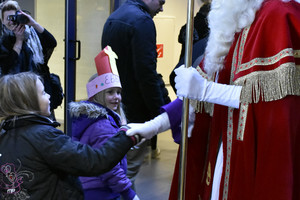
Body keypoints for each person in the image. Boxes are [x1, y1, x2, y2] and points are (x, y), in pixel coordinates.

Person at [126, 0, 300, 199]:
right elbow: (196, 100)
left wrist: (208, 90)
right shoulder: (231, 18)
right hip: (221, 149)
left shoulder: (278, 13)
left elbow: (274, 105)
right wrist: (153, 127)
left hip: (250, 157)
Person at [0, 72, 141, 200]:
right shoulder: (45, 136)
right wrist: (127, 136)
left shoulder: (5, 137)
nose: (49, 95)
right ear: (27, 102)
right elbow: (95, 161)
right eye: (43, 93)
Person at [101, 0, 169, 189]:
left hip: (117, 106)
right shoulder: (142, 21)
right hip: (136, 111)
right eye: (161, 2)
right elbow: (146, 72)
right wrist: (160, 112)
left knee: (118, 169)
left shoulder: (114, 17)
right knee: (127, 173)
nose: (162, 8)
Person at [69, 46, 139, 200]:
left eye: (119, 92)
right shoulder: (102, 125)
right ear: (98, 95)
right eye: (110, 92)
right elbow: (109, 166)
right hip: (101, 191)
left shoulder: (91, 118)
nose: (117, 97)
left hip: (88, 188)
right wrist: (128, 193)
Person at [0, 0, 61, 114]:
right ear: (2, 21)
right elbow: (8, 67)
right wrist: (18, 41)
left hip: (40, 90)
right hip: (18, 95)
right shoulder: (4, 41)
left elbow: (52, 43)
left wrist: (33, 23)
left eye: (14, 17)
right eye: (8, 18)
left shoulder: (32, 35)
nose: (12, 21)